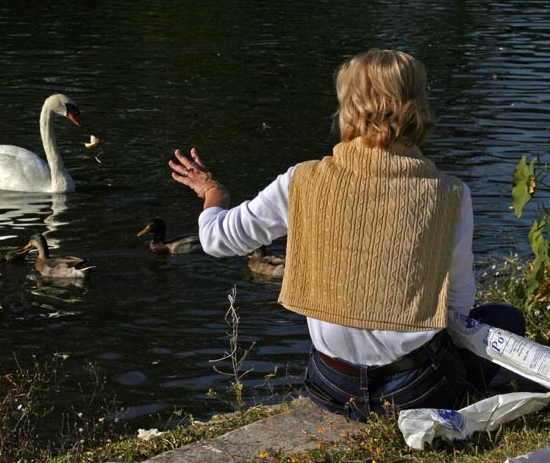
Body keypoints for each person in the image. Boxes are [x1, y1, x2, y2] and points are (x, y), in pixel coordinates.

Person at [169, 48, 525, 421]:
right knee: (505, 319)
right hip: (416, 387)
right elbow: (458, 307)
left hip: (332, 385)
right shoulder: (451, 194)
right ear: (417, 105)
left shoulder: (302, 180)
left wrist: (213, 194)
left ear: (347, 106)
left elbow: (216, 240)